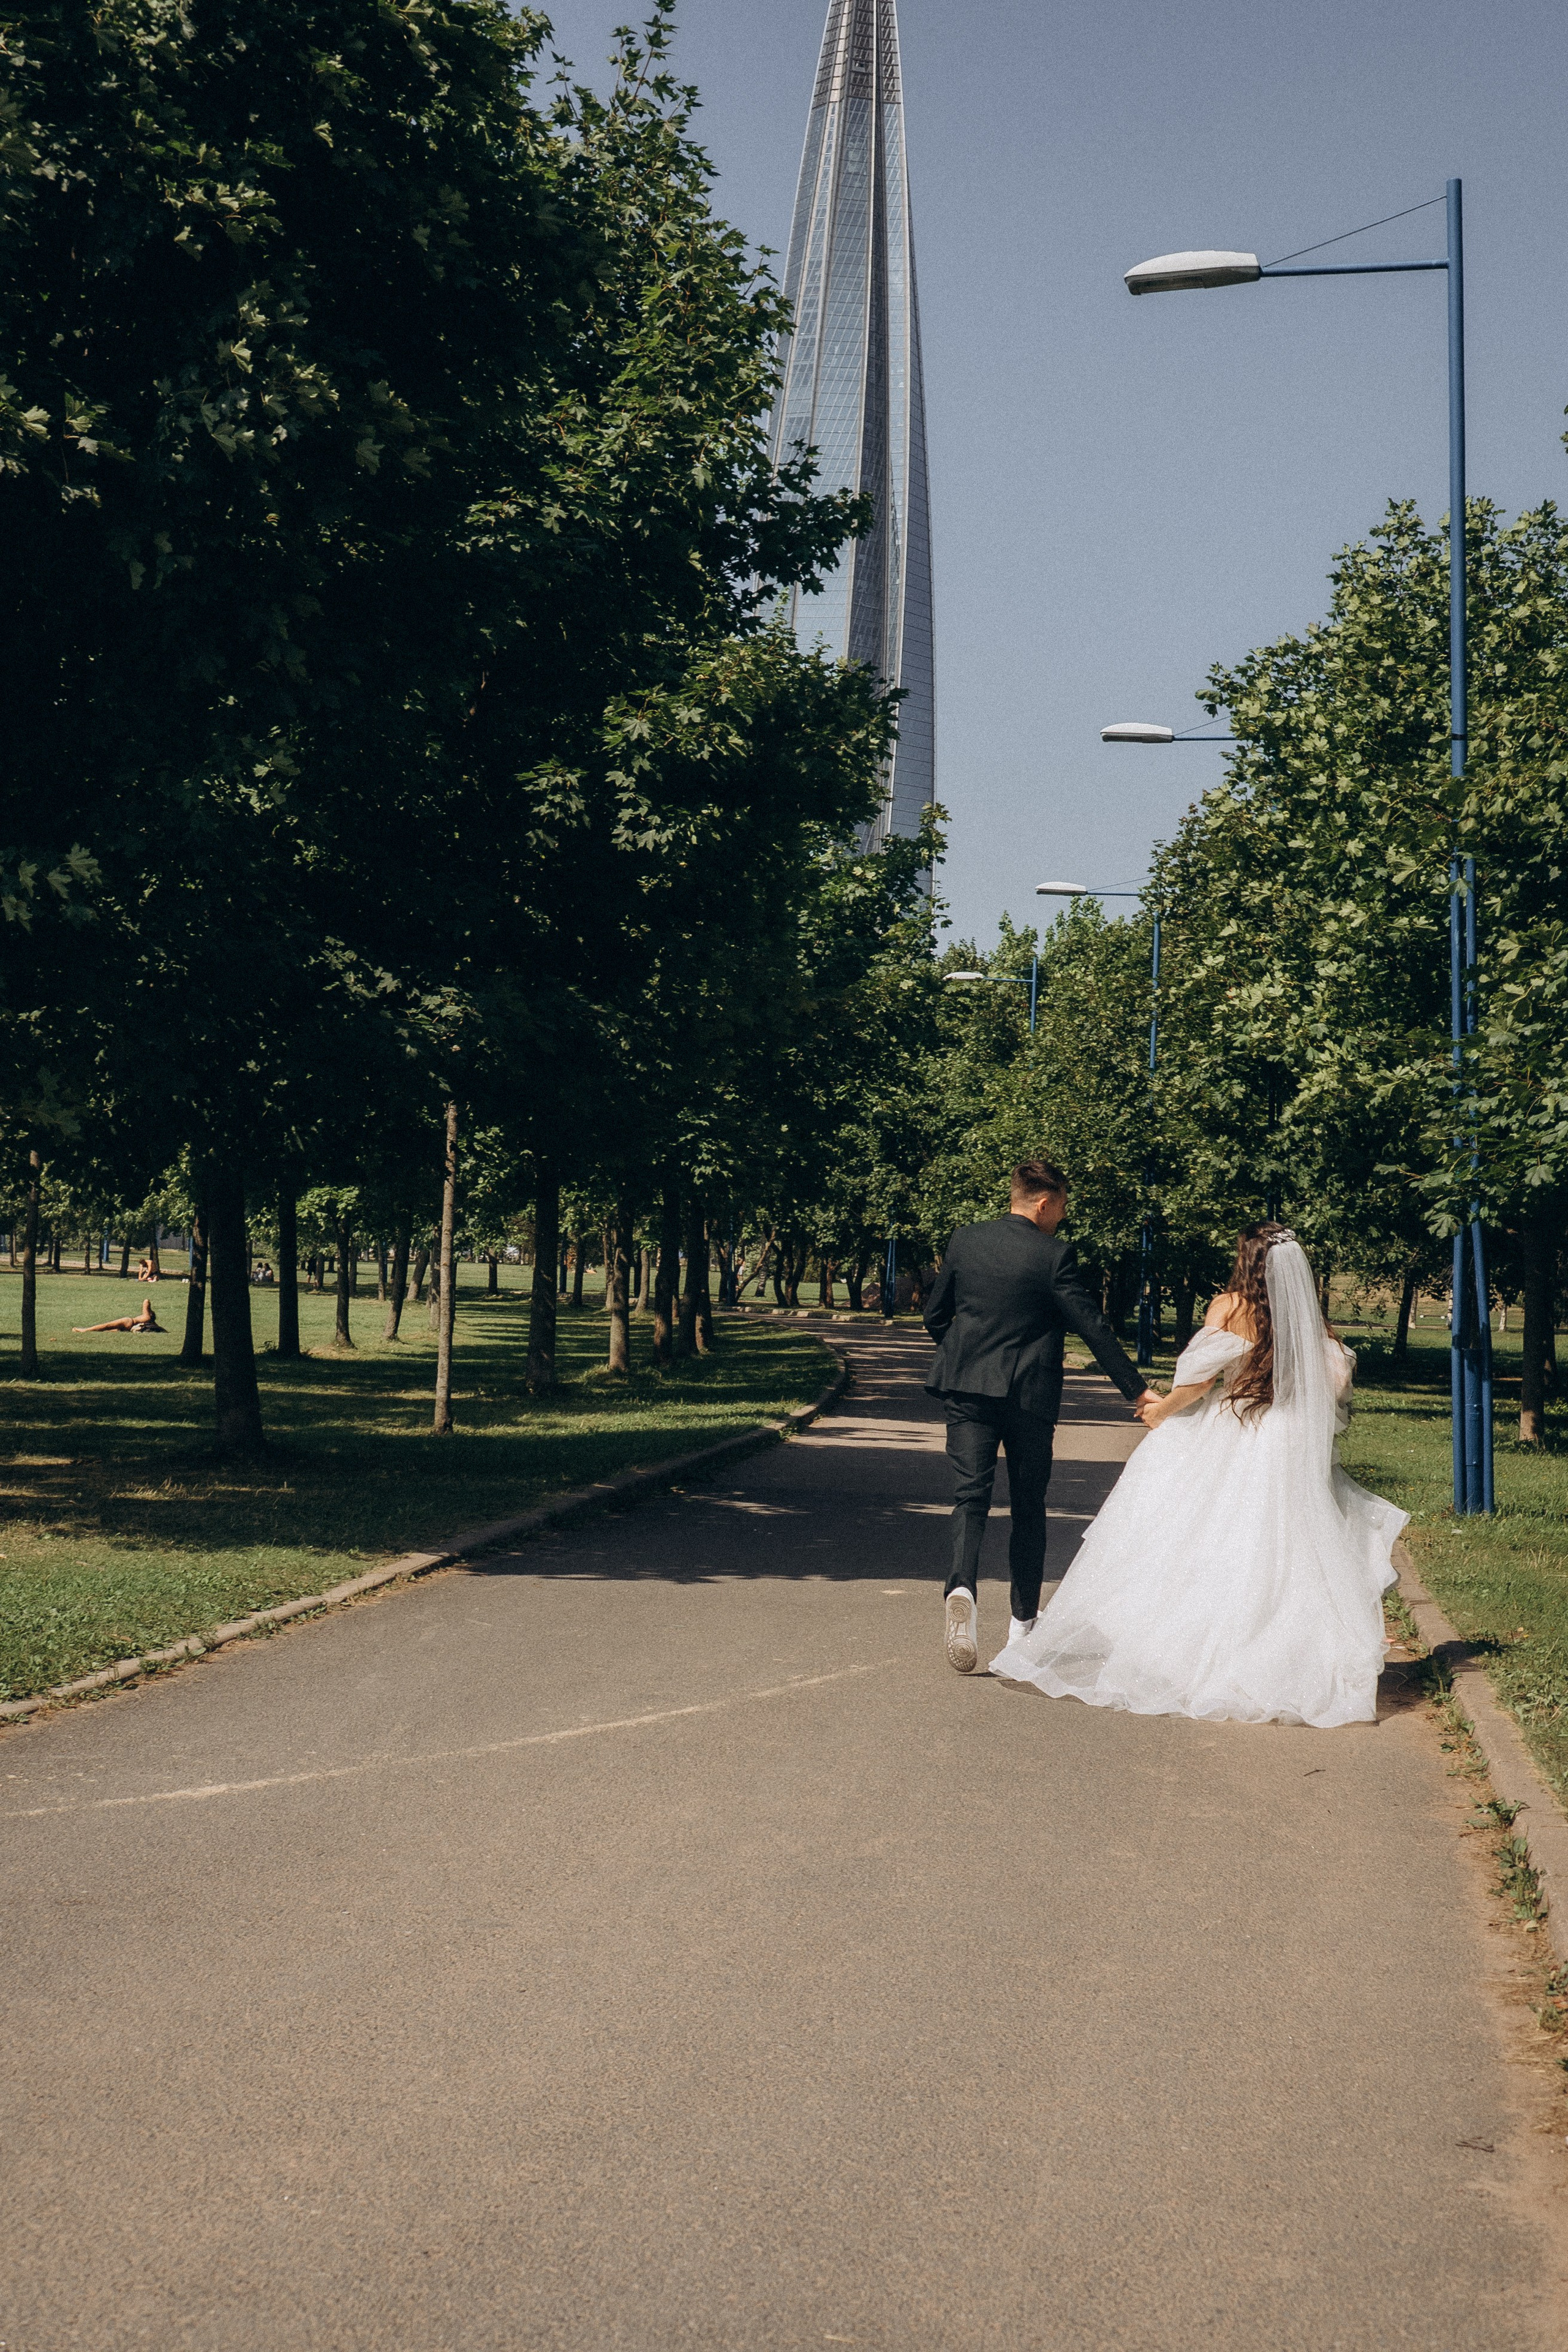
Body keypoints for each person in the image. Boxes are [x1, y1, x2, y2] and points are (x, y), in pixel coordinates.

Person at [992, 1224, 1406, 1728]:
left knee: (1210, 1538)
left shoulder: (1229, 1308)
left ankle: (1201, 1654)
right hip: (1287, 1439)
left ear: (1248, 1262)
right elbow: (1337, 1383)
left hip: (1236, 1430)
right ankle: (1289, 1657)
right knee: (1285, 1547)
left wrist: (1161, 1409)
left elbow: (1199, 1379)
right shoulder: (1308, 1321)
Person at [924, 1158, 1156, 1673]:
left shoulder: (965, 1240)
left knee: (970, 1497)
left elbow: (935, 1316)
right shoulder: (1054, 1256)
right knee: (1029, 1506)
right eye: (1062, 1208)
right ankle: (1022, 1627)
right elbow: (1092, 1326)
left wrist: (964, 1357)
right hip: (1029, 1397)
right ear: (1045, 1203)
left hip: (966, 1390)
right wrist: (1137, 1392)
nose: (1062, 1219)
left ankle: (962, 1585)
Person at [74, 1298, 164, 1335]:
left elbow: (146, 1301)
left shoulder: (147, 1316)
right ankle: (88, 1331)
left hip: (129, 1322)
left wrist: (149, 1308)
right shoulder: (151, 1322)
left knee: (107, 1326)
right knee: (108, 1330)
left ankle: (85, 1330)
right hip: (130, 1328)